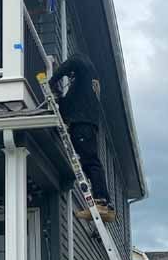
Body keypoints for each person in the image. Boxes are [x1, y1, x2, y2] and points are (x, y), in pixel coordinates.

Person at [47, 53, 116, 222]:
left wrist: (50, 82)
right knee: (89, 162)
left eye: (71, 75)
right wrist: (58, 99)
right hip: (87, 124)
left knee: (90, 161)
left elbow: (69, 65)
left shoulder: (80, 61)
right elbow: (69, 101)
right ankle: (103, 202)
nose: (70, 78)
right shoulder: (88, 82)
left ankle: (101, 202)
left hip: (82, 124)